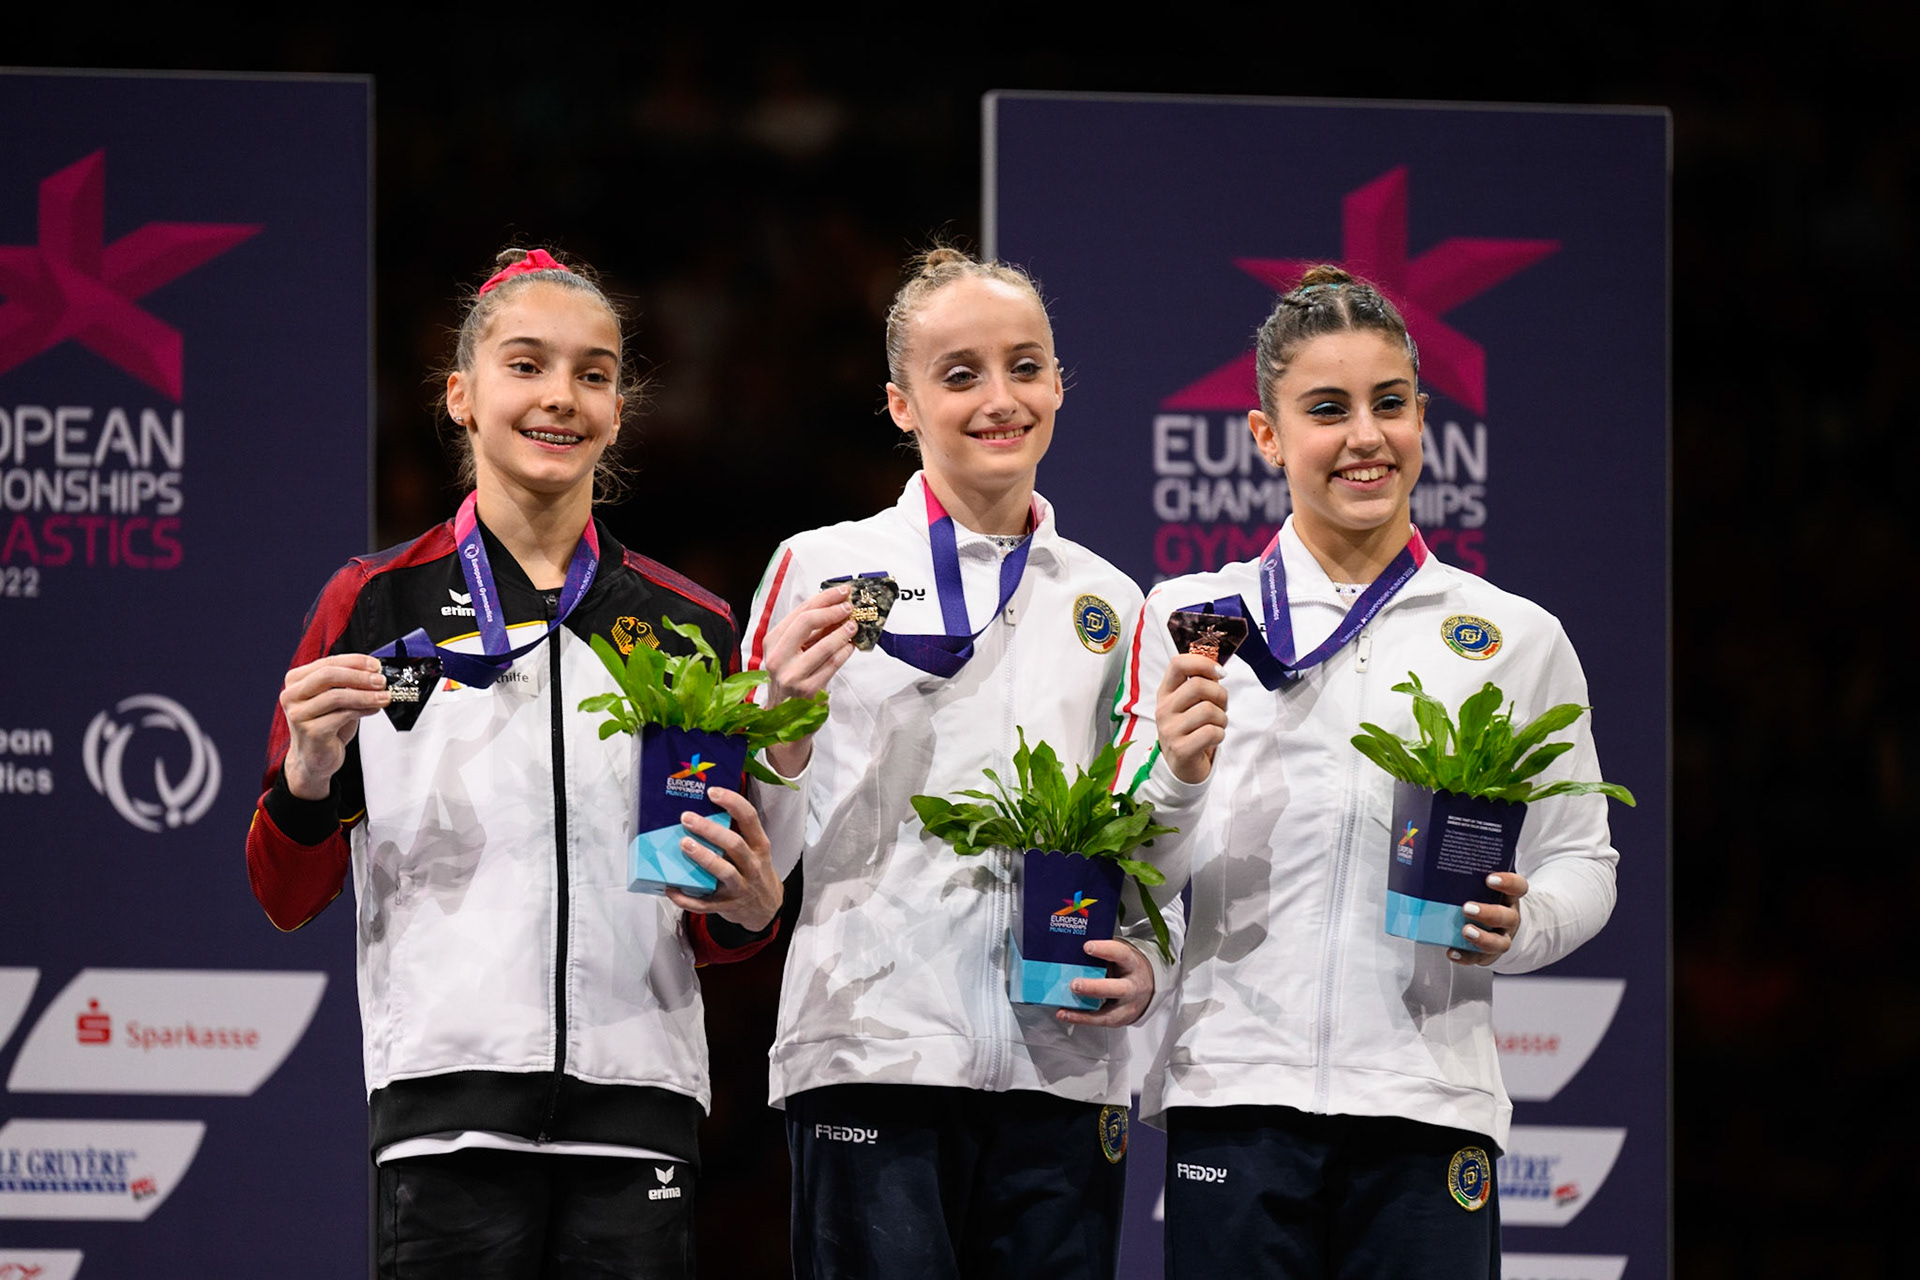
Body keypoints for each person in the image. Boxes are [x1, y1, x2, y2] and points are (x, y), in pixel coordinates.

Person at [245, 248, 784, 1279]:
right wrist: (309, 776)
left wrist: (753, 908)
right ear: (462, 393)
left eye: (593, 372)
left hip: (639, 1105)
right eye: (526, 364)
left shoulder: (689, 623)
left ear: (619, 409)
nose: (560, 397)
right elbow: (284, 891)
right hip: (447, 1105)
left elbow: (714, 920)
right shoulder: (371, 603)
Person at [1117, 265, 1621, 1279]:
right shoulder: (1189, 613)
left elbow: (1585, 860)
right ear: (1266, 435)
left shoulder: (1517, 636)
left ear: (1425, 419)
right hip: (1234, 1092)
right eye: (1327, 409)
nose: (1365, 435)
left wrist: (1523, 926)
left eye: (1390, 404)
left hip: (1428, 1103)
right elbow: (1131, 868)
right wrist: (1173, 773)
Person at [741, 247, 1165, 1279]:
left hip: (1063, 1065)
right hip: (873, 1044)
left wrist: (1154, 961)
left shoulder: (1111, 603)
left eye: (1026, 366)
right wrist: (782, 722)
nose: (1001, 398)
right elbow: (760, 847)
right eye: (960, 373)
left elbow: (1146, 824)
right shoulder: (820, 566)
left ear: (1060, 383)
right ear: (901, 402)